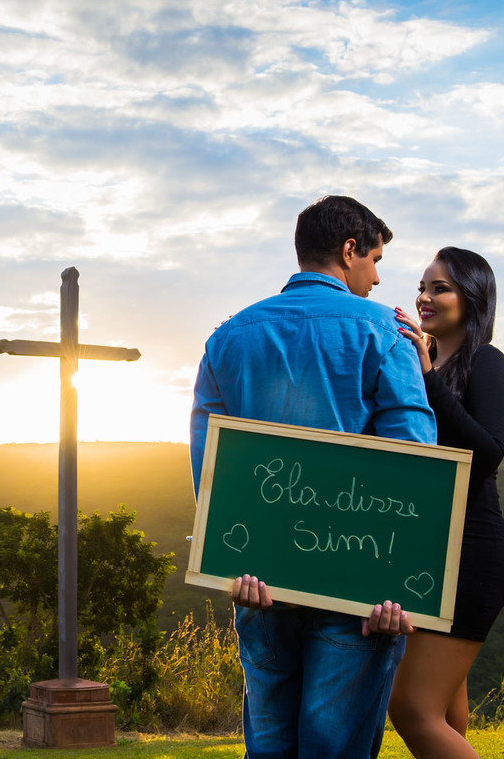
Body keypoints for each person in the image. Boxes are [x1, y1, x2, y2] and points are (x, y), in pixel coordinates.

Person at [190, 195, 437, 759]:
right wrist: (400, 586)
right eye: (374, 260)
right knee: (335, 748)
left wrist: (232, 563)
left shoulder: (227, 337)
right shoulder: (385, 331)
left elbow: (209, 468)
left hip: (258, 581)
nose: (375, 279)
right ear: (349, 251)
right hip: (358, 589)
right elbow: (413, 463)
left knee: (270, 745)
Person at [389, 247, 504, 759]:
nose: (424, 297)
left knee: (411, 708)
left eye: (439, 288)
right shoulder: (422, 360)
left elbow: (486, 455)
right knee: (441, 712)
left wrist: (427, 380)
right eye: (422, 287)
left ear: (473, 297)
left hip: (472, 552)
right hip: (428, 554)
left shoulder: (487, 361)